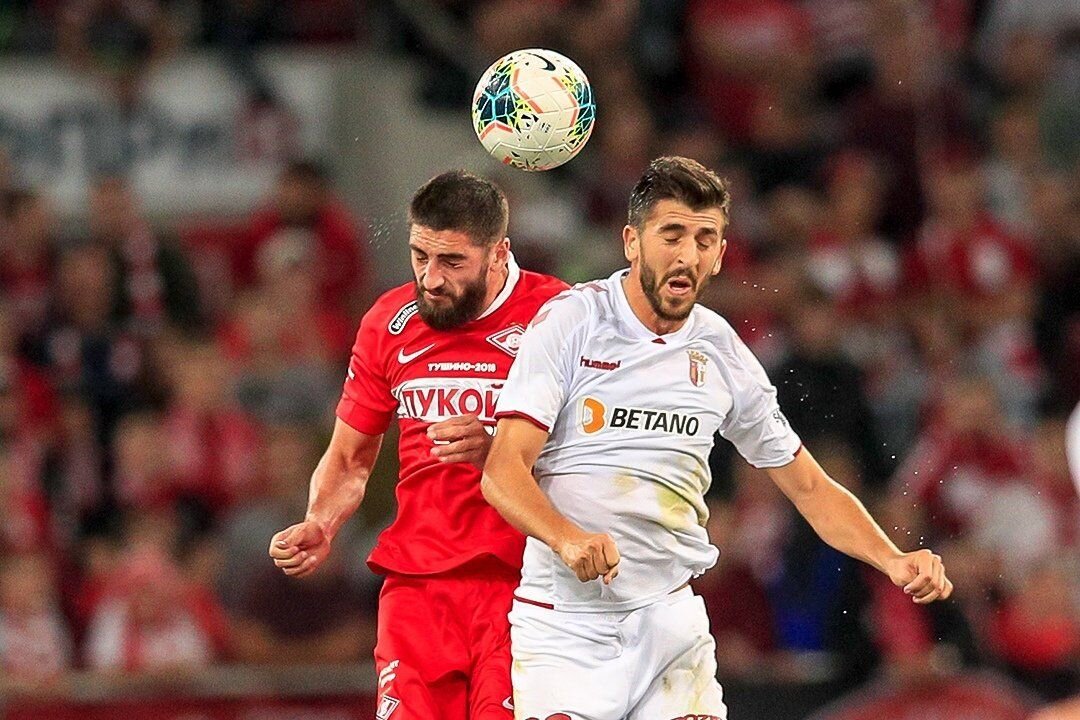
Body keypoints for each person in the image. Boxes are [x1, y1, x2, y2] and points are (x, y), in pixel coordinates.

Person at [481, 156, 954, 720]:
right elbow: (502, 471)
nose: (688, 255)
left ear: (722, 254)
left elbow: (808, 487)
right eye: (671, 235)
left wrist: (893, 559)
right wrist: (567, 539)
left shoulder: (721, 351)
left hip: (669, 626)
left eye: (705, 239)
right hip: (567, 628)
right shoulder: (573, 321)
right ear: (631, 242)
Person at [268, 171, 566, 719]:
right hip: (417, 587)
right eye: (420, 256)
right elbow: (350, 456)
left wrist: (502, 448)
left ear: (499, 254)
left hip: (527, 583)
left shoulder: (560, 315)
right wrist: (320, 522)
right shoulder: (388, 322)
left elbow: (599, 447)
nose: (431, 278)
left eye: (452, 262)